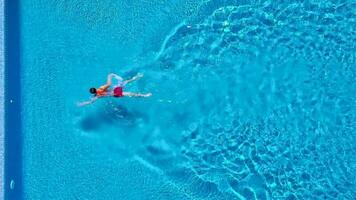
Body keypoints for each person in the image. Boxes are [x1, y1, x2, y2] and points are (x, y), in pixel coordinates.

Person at [77, 73, 152, 107]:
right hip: (116, 92)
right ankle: (138, 79)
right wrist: (111, 75)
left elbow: (91, 101)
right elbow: (109, 84)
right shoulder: (100, 89)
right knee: (127, 86)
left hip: (115, 93)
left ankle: (144, 93)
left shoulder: (97, 95)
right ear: (95, 88)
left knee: (128, 89)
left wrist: (82, 104)